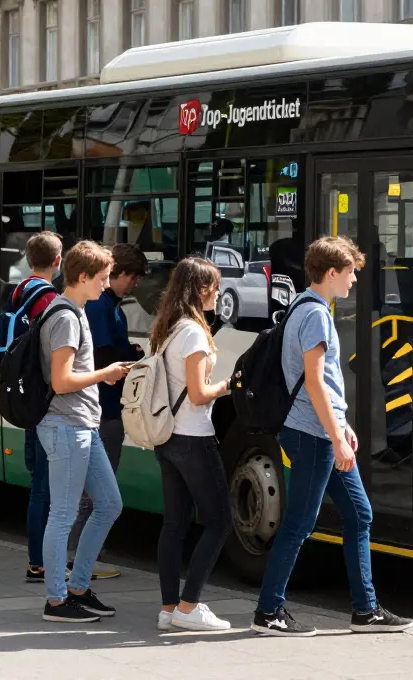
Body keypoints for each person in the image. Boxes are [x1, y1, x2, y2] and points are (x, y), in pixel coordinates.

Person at [253, 236, 413, 637]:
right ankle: (269, 611)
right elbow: (314, 383)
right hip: (311, 435)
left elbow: (323, 381)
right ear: (330, 273)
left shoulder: (304, 308)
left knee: (359, 514)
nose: (355, 281)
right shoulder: (316, 316)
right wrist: (336, 436)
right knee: (299, 525)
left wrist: (341, 427)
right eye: (350, 273)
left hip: (319, 431)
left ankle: (366, 610)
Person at [37, 240, 133, 623]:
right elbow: (61, 381)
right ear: (82, 276)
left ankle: (77, 587)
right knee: (62, 514)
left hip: (82, 424)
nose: (107, 285)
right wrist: (105, 375)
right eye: (103, 278)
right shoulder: (66, 317)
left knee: (110, 504)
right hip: (66, 425)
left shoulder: (74, 311)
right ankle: (57, 601)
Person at [148, 256, 235, 632]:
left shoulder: (168, 327)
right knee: (219, 522)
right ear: (200, 290)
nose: (218, 292)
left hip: (167, 437)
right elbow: (199, 395)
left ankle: (169, 608)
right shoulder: (195, 333)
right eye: (214, 286)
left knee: (175, 523)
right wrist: (229, 385)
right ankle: (190, 605)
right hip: (193, 437)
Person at [68, 243, 148, 579]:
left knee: (95, 494)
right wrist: (125, 360)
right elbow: (99, 358)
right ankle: (79, 560)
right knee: (97, 495)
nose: (135, 285)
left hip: (106, 408)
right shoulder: (102, 307)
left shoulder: (110, 305)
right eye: (132, 278)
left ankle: (81, 558)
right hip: (103, 409)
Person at [14, 232, 61, 583]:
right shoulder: (47, 299)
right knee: (44, 488)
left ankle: (38, 560)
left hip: (26, 395)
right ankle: (38, 562)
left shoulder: (19, 290)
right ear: (58, 262)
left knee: (38, 484)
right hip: (43, 400)